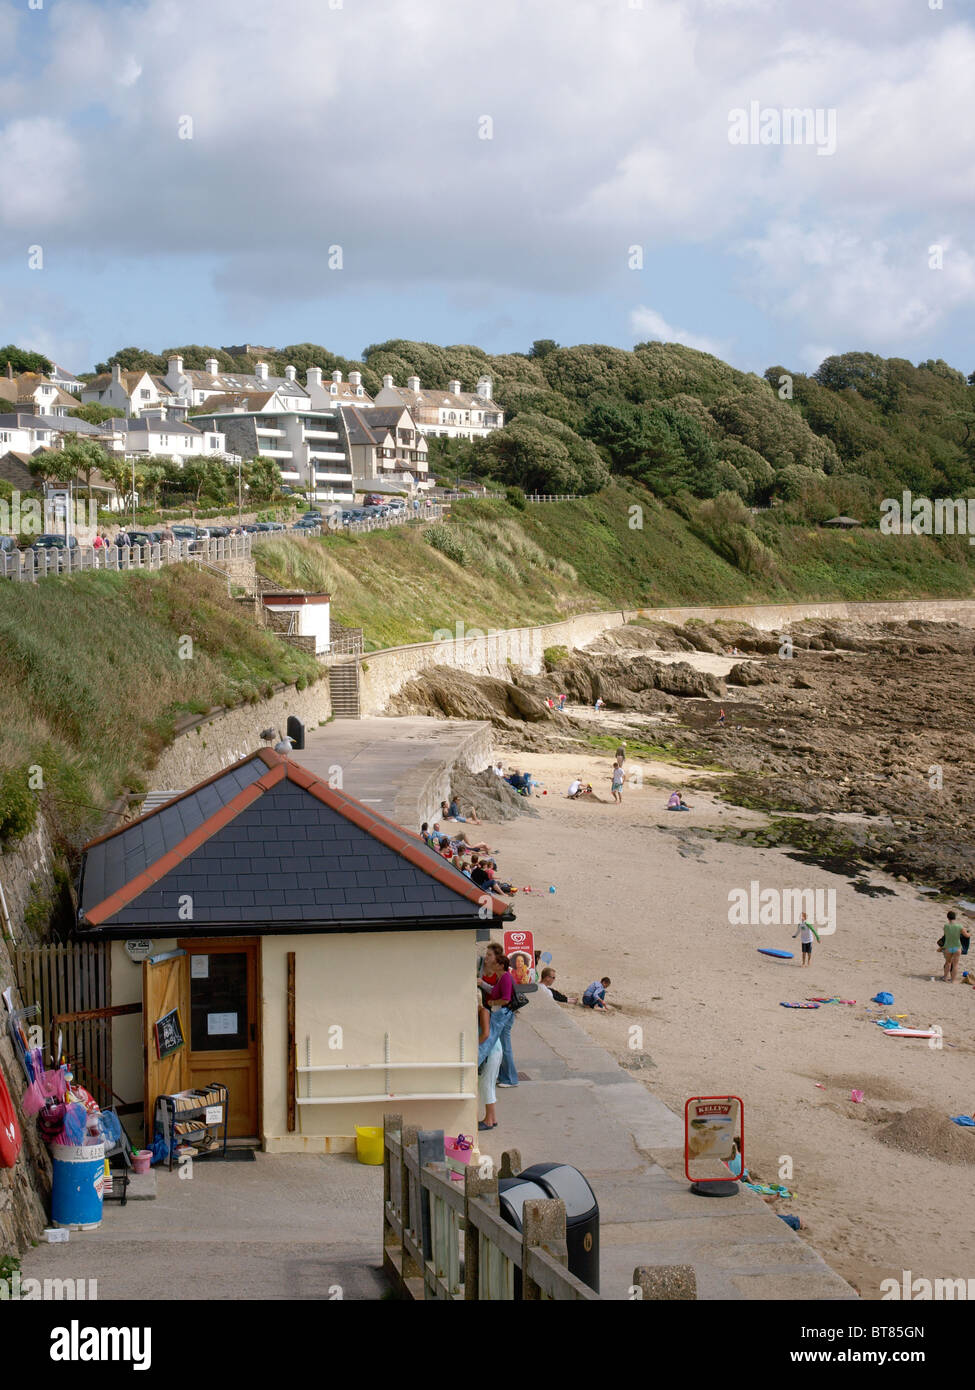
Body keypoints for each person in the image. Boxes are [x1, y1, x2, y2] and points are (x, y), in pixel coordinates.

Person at [480, 944, 519, 1087]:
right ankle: (505, 1076)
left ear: (500, 964)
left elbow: (506, 999)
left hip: (504, 1014)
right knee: (501, 1046)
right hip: (502, 1013)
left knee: (504, 1046)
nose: (488, 959)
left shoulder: (505, 978)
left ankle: (510, 1078)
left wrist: (492, 1001)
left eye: (491, 956)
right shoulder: (501, 977)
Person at [477, 998, 502, 1130]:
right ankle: (492, 1118)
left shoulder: (483, 1012)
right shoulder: (481, 1012)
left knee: (486, 1084)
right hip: (491, 1051)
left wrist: (474, 1046)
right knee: (487, 1084)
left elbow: (485, 1034)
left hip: (491, 1052)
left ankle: (488, 1121)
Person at [939, 910, 971, 982]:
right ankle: (952, 980)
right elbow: (966, 935)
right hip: (957, 947)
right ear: (955, 917)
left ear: (948, 918)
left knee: (948, 963)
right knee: (955, 964)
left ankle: (945, 977)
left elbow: (946, 935)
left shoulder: (946, 926)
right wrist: (970, 934)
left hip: (948, 947)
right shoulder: (959, 926)